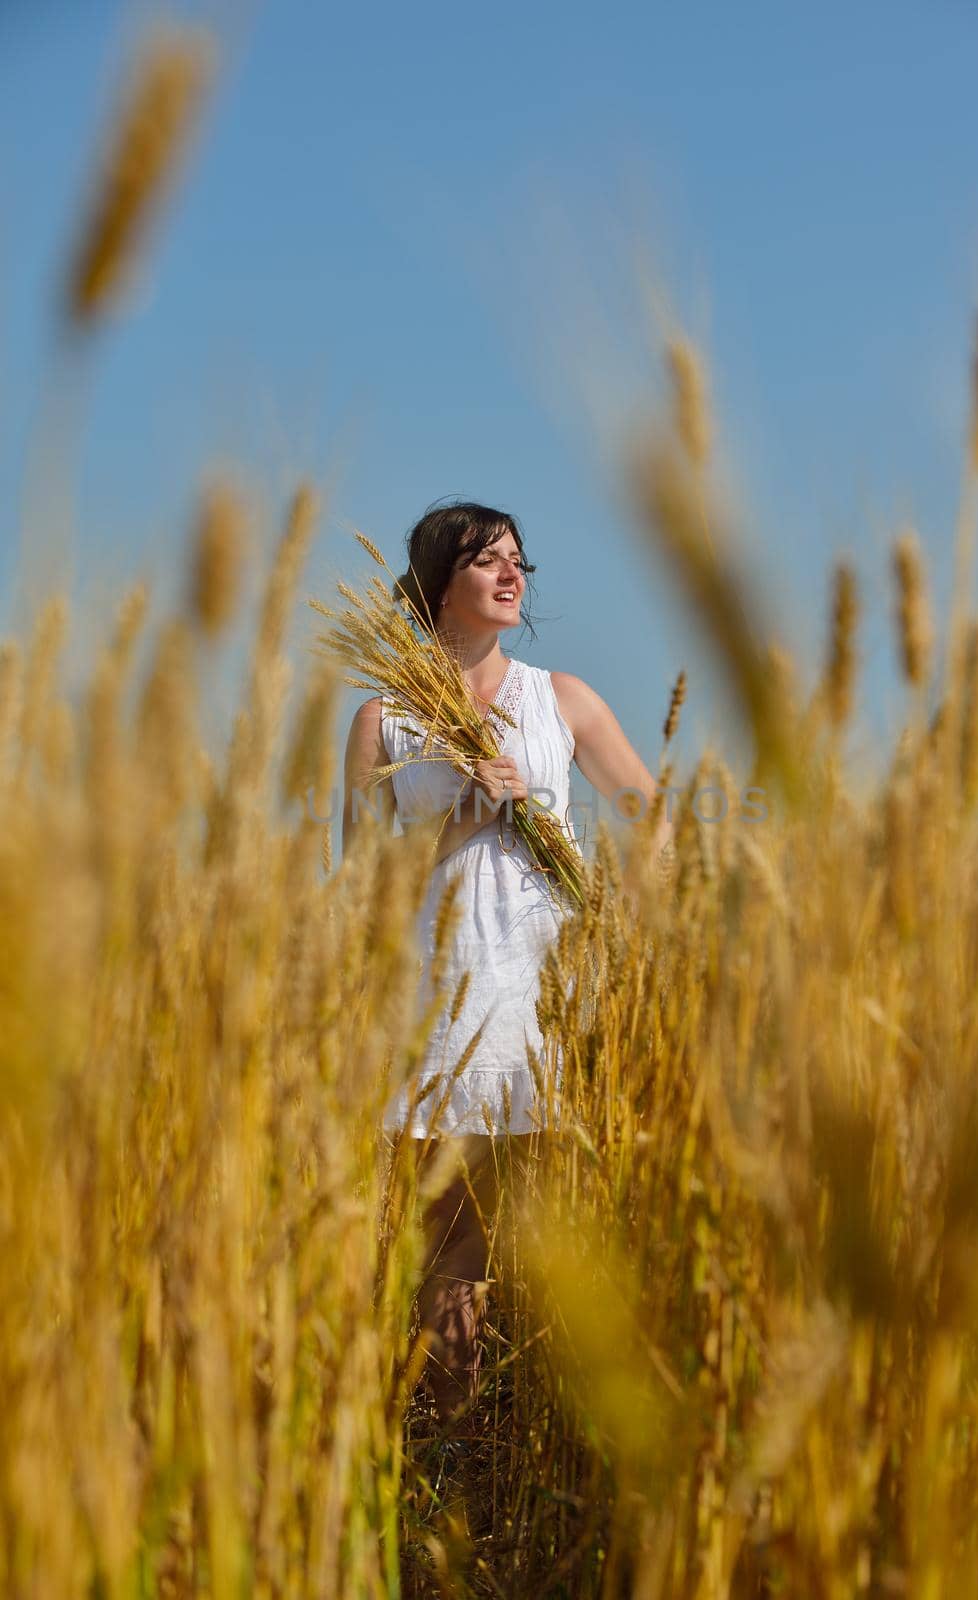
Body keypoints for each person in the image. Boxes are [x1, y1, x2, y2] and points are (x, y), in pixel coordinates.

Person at [343, 499, 672, 1424]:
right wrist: (468, 816)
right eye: (486, 559)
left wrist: (631, 916)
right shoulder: (385, 720)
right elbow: (364, 879)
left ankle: (568, 1433)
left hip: (548, 992)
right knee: (455, 1237)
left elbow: (655, 817)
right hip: (446, 1002)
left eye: (519, 560)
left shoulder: (560, 698)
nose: (511, 573)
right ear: (437, 580)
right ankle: (458, 1446)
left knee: (576, 1224)